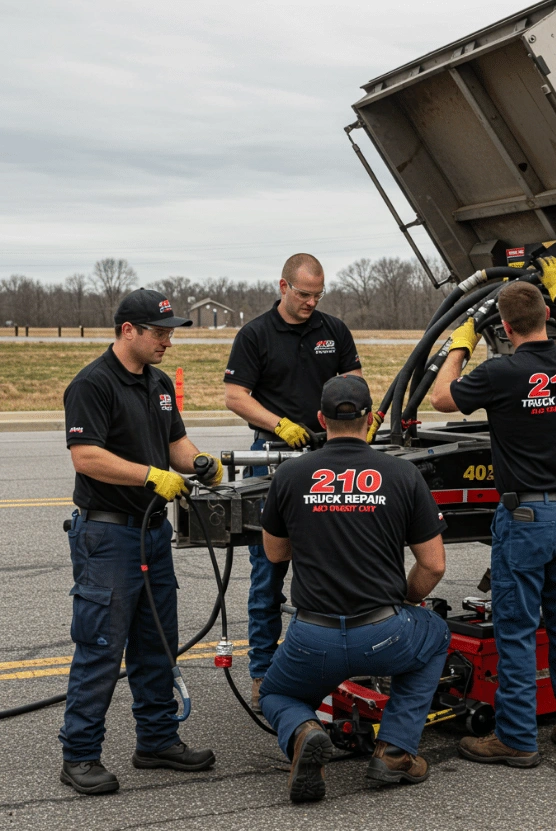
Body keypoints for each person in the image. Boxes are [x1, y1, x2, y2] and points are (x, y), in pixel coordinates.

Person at [430, 259, 556, 767]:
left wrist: (459, 344)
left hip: (527, 519)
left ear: (503, 327)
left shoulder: (501, 371)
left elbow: (439, 399)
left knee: (517, 629)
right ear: (546, 313)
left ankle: (518, 739)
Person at [259, 375, 450, 803]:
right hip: (383, 629)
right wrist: (404, 604)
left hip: (313, 634)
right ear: (369, 420)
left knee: (276, 693)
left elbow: (275, 554)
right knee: (435, 636)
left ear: (321, 418)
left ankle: (304, 731)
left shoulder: (290, 475)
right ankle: (395, 751)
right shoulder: (402, 474)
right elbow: (434, 565)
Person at [60, 289, 219, 795]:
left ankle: (156, 740)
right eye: (159, 331)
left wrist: (199, 464)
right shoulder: (92, 383)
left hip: (152, 534)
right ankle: (80, 755)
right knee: (101, 647)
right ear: (128, 329)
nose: (167, 341)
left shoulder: (160, 383)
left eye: (171, 331)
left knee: (156, 643)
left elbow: (175, 442)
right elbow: (86, 456)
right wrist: (152, 477)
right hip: (107, 535)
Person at [223, 253, 363, 710]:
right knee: (268, 571)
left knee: (332, 566)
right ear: (282, 286)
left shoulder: (333, 330)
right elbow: (234, 396)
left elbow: (354, 380)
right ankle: (264, 671)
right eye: (304, 294)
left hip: (329, 456)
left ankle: (330, 664)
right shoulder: (256, 334)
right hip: (272, 457)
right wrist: (279, 424)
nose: (311, 302)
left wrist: (361, 412)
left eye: (318, 294)